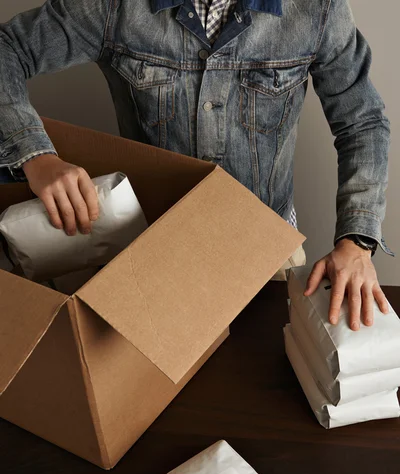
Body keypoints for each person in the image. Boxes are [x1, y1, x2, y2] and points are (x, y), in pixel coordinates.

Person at [0, 0, 393, 329]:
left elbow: (363, 121)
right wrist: (36, 155)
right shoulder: (115, 4)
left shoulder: (318, 8)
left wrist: (357, 242)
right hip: (144, 263)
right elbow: (7, 49)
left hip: (266, 261)